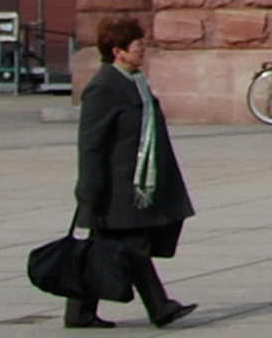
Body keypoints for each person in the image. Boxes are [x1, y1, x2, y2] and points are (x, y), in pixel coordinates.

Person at [65, 18, 196, 329]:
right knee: (133, 246)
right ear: (118, 51)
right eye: (138, 46)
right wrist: (89, 190)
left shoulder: (133, 81)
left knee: (105, 247)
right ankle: (160, 307)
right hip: (115, 188)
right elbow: (91, 145)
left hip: (132, 186)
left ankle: (79, 313)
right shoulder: (103, 88)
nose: (144, 51)